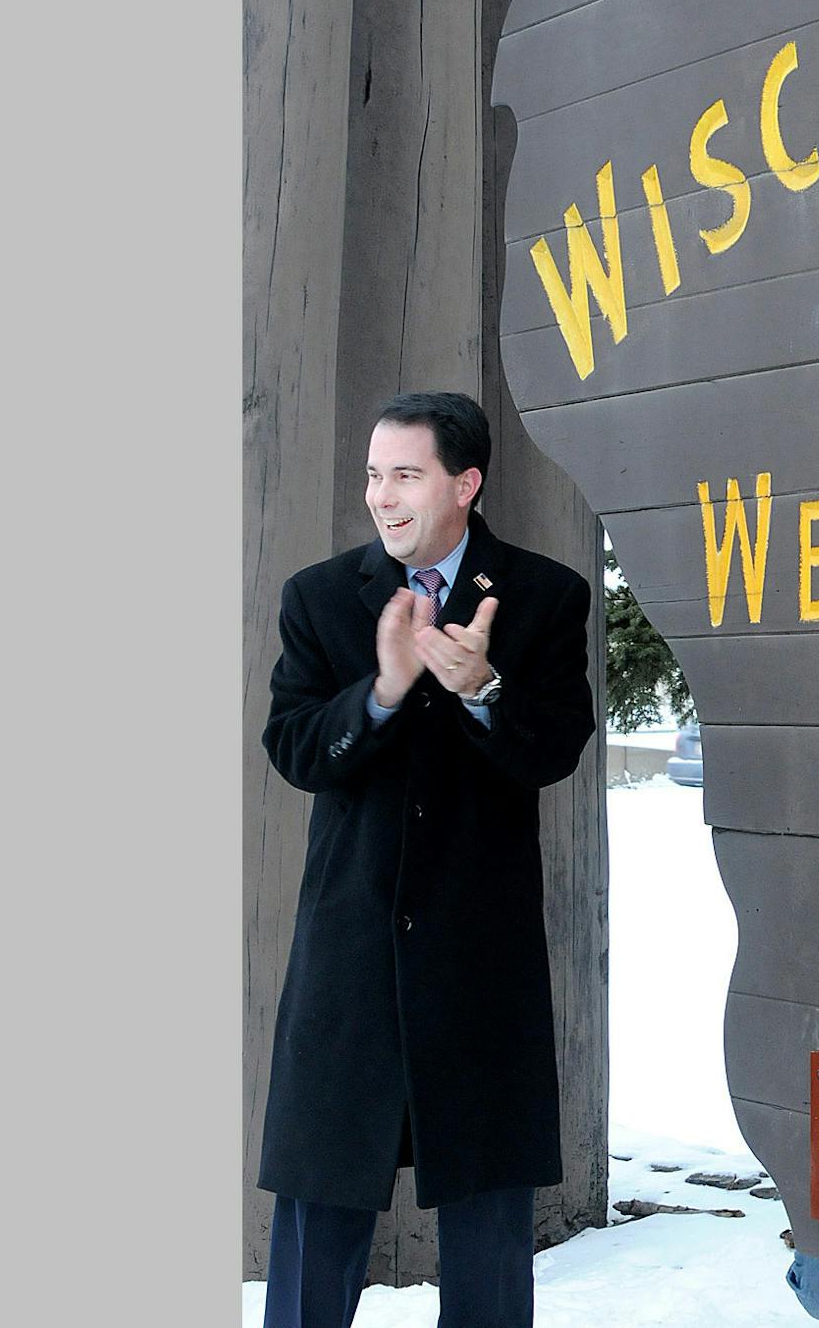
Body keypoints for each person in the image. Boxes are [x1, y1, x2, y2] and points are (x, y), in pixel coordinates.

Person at [257, 391, 598, 1328]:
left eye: (405, 474)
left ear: (466, 483)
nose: (382, 495)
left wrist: (482, 687)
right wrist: (382, 691)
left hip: (477, 959)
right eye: (374, 474)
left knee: (488, 1224)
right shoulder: (320, 597)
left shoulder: (544, 596)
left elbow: (554, 749)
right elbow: (291, 747)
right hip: (350, 955)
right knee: (317, 1217)